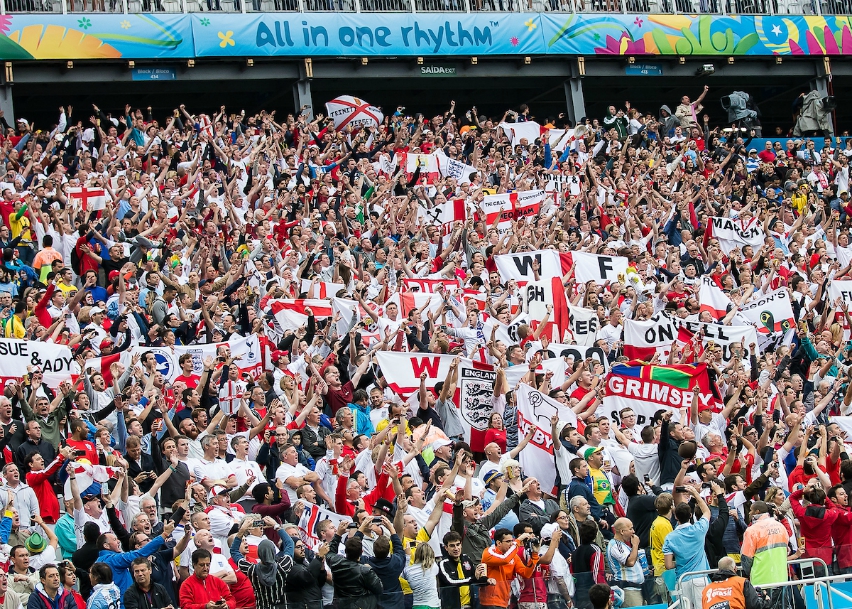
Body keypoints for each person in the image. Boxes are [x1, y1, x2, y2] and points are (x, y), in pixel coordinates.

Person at [663, 486, 711, 609]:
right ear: (690, 515)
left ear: (676, 517)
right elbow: (706, 512)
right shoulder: (699, 529)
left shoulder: (670, 537)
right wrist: (695, 493)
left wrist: (680, 562)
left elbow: (668, 565)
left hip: (682, 581)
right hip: (701, 578)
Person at [325, 521, 384, 609]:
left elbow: (330, 553)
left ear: (345, 551)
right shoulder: (365, 571)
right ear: (362, 551)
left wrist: (338, 534)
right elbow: (379, 589)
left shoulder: (336, 563)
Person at [479, 528, 539, 609]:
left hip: (505, 601)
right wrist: (518, 541)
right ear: (498, 543)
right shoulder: (488, 552)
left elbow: (526, 574)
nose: (511, 544)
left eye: (512, 541)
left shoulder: (513, 557)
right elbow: (505, 559)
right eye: (508, 542)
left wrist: (534, 555)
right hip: (490, 602)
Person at [605, 518, 646, 608]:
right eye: (630, 529)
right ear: (622, 531)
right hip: (629, 590)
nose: (633, 532)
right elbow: (630, 562)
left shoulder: (624, 545)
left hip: (637, 589)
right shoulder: (616, 545)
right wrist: (635, 545)